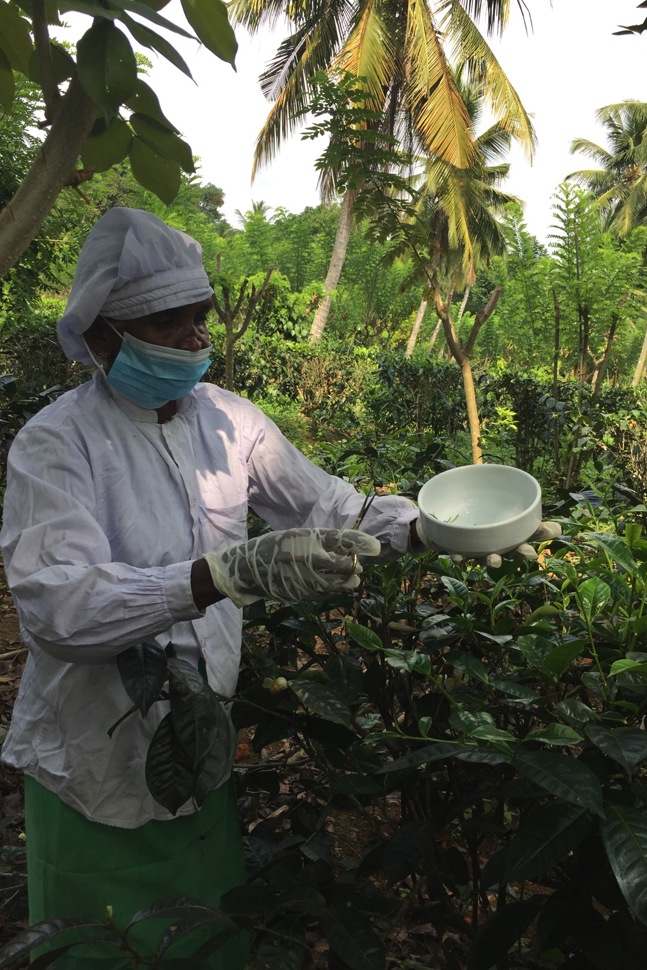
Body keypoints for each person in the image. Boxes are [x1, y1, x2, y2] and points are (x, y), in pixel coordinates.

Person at [0, 208, 556, 967]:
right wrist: (219, 574)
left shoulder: (229, 422)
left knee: (200, 931)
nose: (197, 341)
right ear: (102, 336)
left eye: (201, 319)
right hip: (89, 755)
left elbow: (333, 509)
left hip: (198, 740)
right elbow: (57, 609)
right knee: (99, 944)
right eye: (170, 324)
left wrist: (438, 530)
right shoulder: (55, 444)